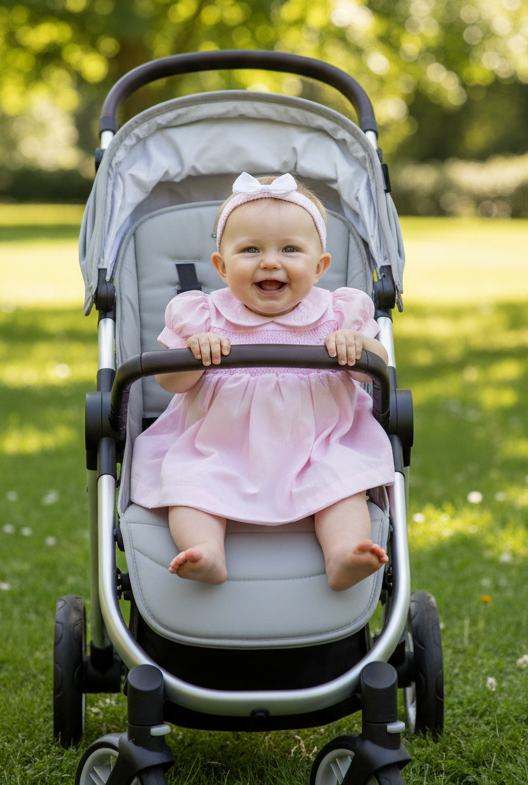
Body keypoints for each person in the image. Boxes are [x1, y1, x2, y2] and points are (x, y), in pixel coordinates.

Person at [130, 172, 395, 591]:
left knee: (341, 487)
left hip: (319, 447)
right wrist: (193, 355)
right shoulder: (203, 316)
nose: (270, 262)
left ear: (320, 266)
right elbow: (171, 383)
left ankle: (344, 553)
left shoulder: (338, 314)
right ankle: (205, 551)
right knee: (190, 487)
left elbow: (376, 373)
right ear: (221, 267)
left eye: (290, 249)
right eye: (250, 249)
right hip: (217, 448)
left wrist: (359, 346)